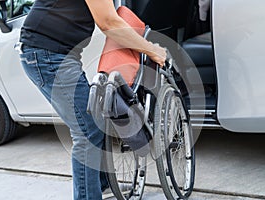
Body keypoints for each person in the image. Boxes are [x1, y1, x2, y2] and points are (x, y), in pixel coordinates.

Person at [17, 0, 166, 200]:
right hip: (48, 56)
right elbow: (108, 23)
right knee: (87, 131)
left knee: (95, 122)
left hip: (56, 55)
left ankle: (101, 186)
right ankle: (88, 195)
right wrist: (151, 49)